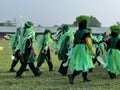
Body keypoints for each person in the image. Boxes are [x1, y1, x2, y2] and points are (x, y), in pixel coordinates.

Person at [68, 15, 95, 84]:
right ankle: (72, 76)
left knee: (83, 63)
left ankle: (85, 78)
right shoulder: (86, 32)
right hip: (83, 48)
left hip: (77, 48)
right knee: (83, 63)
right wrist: (92, 50)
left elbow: (74, 41)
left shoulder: (77, 32)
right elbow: (88, 41)